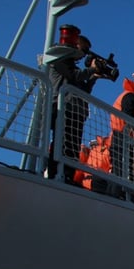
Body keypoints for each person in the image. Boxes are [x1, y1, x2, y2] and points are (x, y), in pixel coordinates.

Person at [47, 25, 100, 184]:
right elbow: (72, 75)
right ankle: (55, 174)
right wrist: (91, 70)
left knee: (72, 147)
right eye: (83, 51)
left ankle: (67, 175)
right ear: (76, 45)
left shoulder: (72, 67)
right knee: (61, 143)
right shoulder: (58, 58)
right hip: (62, 107)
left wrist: (94, 77)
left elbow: (83, 89)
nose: (83, 56)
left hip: (75, 110)